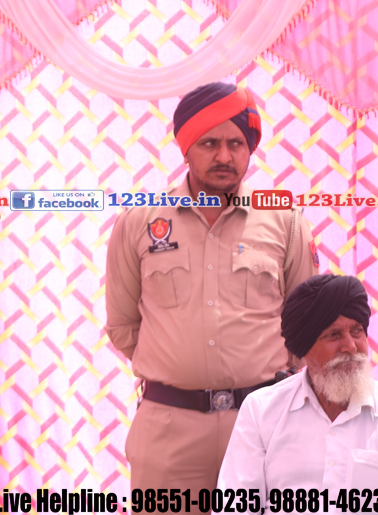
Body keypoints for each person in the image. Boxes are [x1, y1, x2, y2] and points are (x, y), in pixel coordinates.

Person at [104, 81, 318, 490]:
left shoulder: (285, 221)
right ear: (186, 148)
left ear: (250, 149)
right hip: (169, 433)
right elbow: (123, 325)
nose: (224, 156)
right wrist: (179, 367)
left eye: (236, 144)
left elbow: (307, 324)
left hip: (266, 426)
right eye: (209, 143)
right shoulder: (139, 221)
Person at [218, 274, 378, 497]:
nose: (350, 346)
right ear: (305, 347)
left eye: (356, 331)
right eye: (334, 335)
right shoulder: (261, 411)